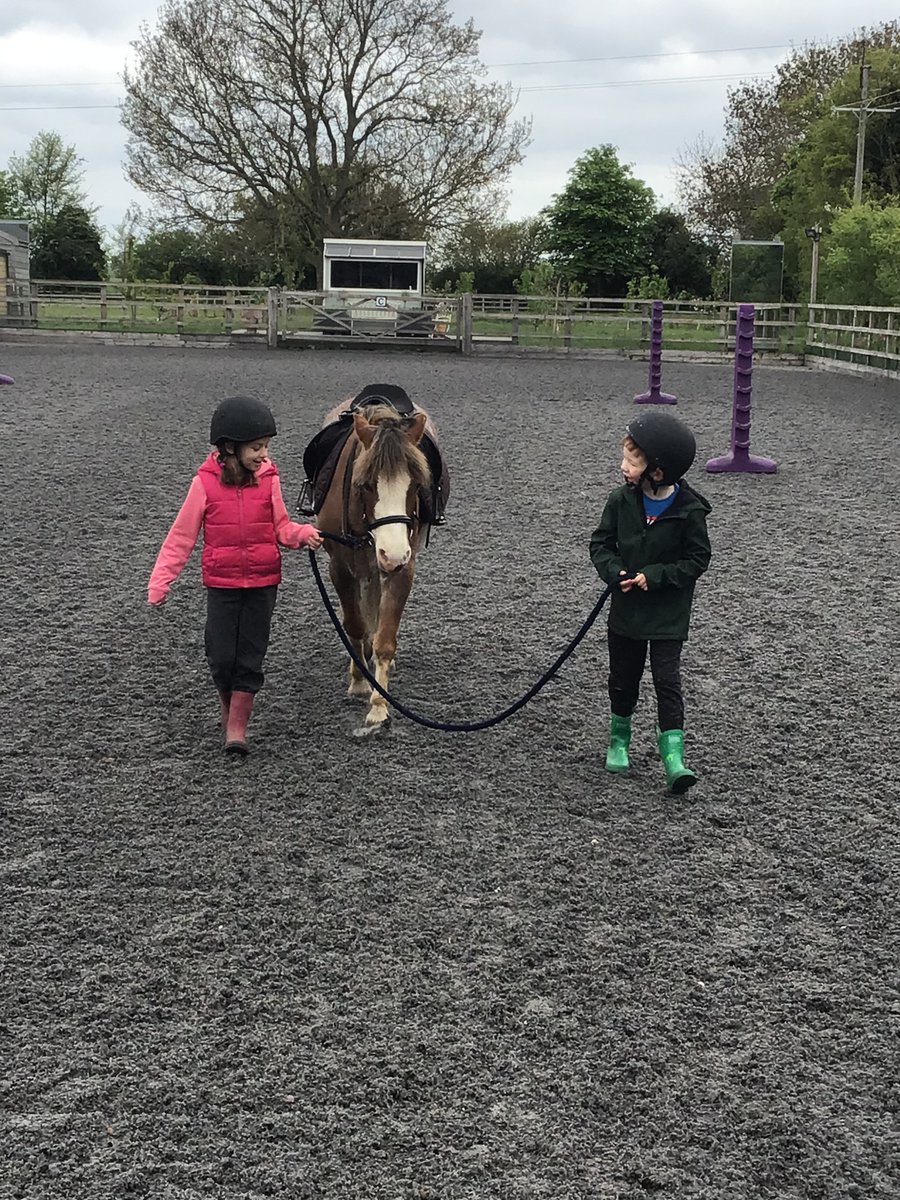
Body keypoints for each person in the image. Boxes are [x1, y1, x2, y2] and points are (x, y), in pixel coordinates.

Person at [147, 395, 323, 755]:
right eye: (257, 447)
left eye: (266, 447)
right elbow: (182, 535)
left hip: (263, 583)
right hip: (222, 584)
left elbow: (281, 527)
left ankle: (237, 729)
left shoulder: (269, 480)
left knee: (250, 656)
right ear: (230, 447)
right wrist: (161, 579)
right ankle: (228, 711)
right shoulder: (205, 485)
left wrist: (302, 534)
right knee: (221, 655)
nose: (263, 454)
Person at [589, 411, 712, 793]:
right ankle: (619, 738)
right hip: (626, 611)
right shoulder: (619, 501)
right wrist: (615, 572)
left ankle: (674, 757)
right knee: (622, 680)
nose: (623, 467)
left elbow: (697, 559)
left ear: (657, 471)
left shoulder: (690, 511)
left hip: (667, 615)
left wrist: (656, 576)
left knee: (667, 681)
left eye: (632, 461)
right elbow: (600, 545)